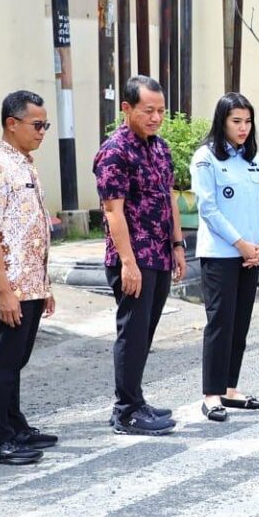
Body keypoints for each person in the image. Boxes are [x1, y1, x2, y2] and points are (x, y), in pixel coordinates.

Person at [94, 75, 186, 436]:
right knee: (131, 333)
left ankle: (136, 399)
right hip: (133, 257)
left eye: (160, 111)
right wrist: (128, 263)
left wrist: (178, 245)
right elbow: (113, 212)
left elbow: (169, 199)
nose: (155, 118)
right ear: (127, 108)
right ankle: (126, 411)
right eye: (148, 110)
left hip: (160, 253)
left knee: (145, 332)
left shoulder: (160, 148)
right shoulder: (115, 151)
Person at [0, 90, 57, 466]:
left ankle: (15, 425)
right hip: (12, 285)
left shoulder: (24, 162)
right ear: (12, 123)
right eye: (37, 125)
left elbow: (32, 229)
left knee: (16, 360)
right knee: (3, 361)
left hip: (32, 281)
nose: (42, 132)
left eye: (45, 125)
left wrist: (46, 285)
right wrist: (3, 290)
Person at [193, 92, 259, 421]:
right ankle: (211, 394)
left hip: (251, 254)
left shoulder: (254, 159)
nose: (243, 128)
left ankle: (229, 387)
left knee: (240, 322)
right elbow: (208, 208)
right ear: (222, 122)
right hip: (221, 253)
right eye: (236, 121)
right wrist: (240, 243)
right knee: (220, 322)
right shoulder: (206, 157)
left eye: (247, 121)